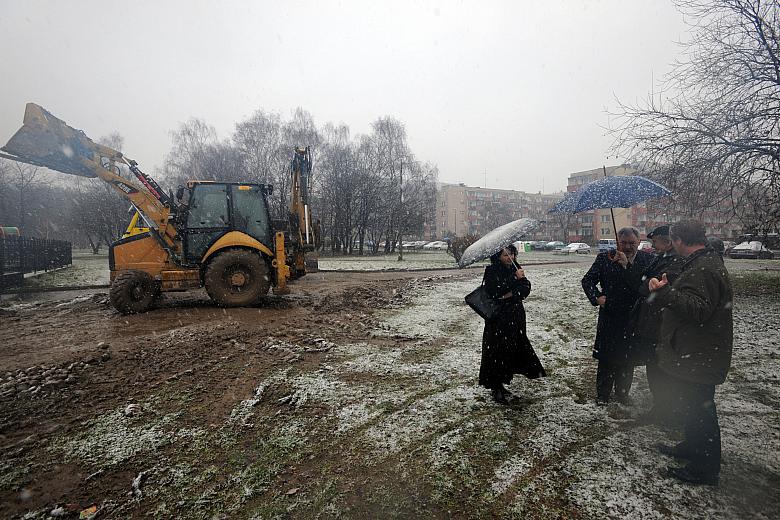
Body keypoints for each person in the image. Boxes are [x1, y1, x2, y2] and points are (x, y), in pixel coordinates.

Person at [647, 220, 733, 485]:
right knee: (693, 405)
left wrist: (665, 292)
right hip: (695, 351)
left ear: (679, 240)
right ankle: (693, 447)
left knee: (700, 410)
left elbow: (698, 310)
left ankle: (704, 469)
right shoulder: (702, 262)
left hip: (699, 354)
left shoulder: (703, 268)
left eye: (673, 240)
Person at [581, 227, 654, 405]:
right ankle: (603, 395)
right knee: (607, 357)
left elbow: (643, 286)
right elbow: (587, 280)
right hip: (610, 315)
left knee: (627, 357)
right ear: (617, 242)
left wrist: (627, 266)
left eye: (632, 243)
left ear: (639, 242)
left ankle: (622, 393)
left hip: (633, 316)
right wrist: (597, 297)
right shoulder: (605, 258)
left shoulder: (647, 260)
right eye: (623, 243)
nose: (628, 247)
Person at [624, 225, 684, 422]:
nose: (653, 246)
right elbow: (643, 282)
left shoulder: (675, 262)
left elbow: (647, 288)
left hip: (659, 323)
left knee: (659, 367)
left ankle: (665, 409)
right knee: (654, 365)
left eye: (655, 242)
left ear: (667, 242)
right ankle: (662, 406)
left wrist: (645, 283)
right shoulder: (662, 258)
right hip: (652, 322)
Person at [479, 247, 546, 404]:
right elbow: (494, 291)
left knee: (511, 349)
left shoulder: (516, 267)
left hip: (515, 316)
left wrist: (511, 293)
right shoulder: (492, 270)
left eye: (512, 254)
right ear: (498, 256)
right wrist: (514, 280)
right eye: (506, 255)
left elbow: (526, 287)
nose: (510, 257)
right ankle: (496, 386)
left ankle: (503, 381)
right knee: (497, 351)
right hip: (498, 318)